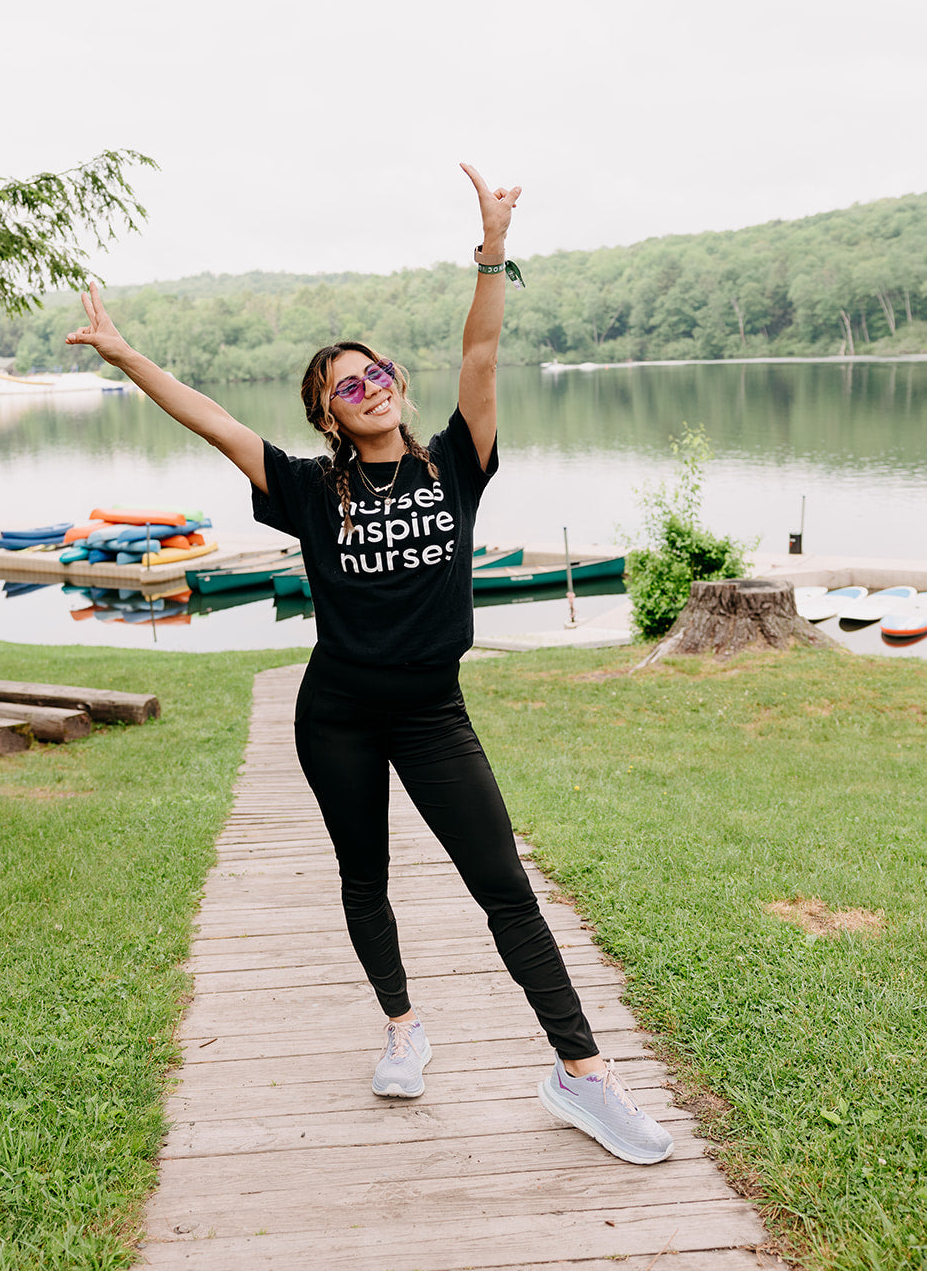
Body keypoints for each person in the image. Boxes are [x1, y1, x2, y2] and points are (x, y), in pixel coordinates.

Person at [66, 163, 674, 1166]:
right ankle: (401, 1026)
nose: (369, 387)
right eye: (345, 386)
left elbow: (482, 348)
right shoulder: (305, 488)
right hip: (337, 714)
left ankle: (583, 1076)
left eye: (376, 371)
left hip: (435, 715)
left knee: (503, 888)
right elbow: (211, 419)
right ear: (328, 415)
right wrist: (126, 353)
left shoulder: (454, 460)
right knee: (365, 875)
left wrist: (489, 248)